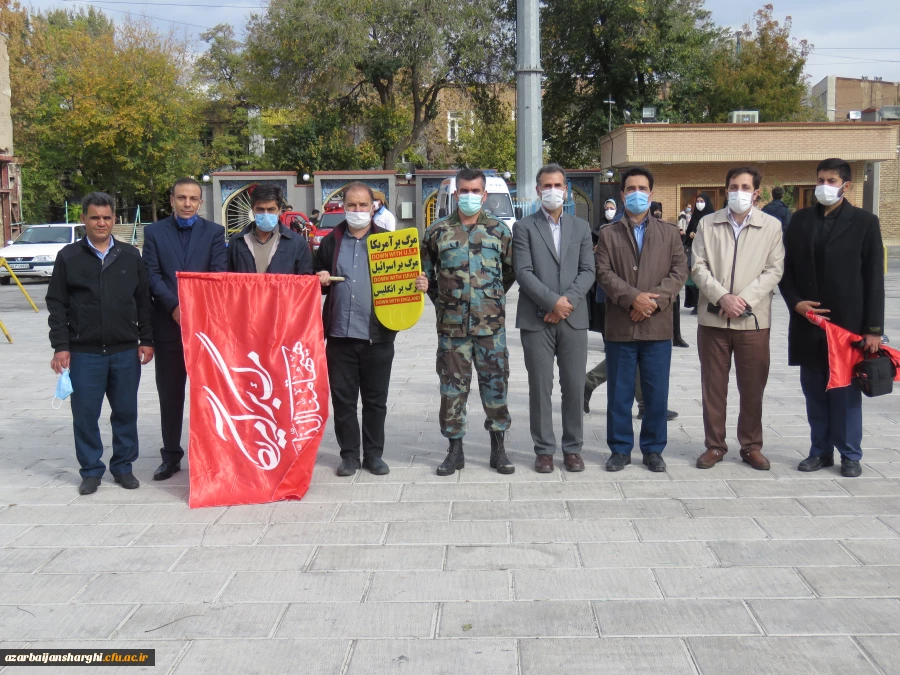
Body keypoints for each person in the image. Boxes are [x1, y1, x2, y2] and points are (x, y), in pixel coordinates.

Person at [780, 158, 884, 478]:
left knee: (846, 392)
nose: (823, 186)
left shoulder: (865, 222)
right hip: (809, 323)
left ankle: (850, 454)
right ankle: (820, 451)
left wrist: (873, 329)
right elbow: (785, 270)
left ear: (846, 185)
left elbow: (874, 278)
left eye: (831, 180)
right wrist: (796, 303)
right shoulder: (800, 220)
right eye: (820, 180)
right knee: (815, 391)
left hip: (848, 326)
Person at [314, 182, 427, 476]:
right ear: (343, 207)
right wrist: (320, 276)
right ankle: (349, 455)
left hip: (377, 336)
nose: (357, 210)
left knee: (376, 402)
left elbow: (406, 281)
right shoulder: (331, 241)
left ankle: (374, 455)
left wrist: (419, 283)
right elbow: (315, 278)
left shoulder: (389, 243)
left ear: (373, 207)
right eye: (351, 205)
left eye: (363, 205)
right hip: (339, 336)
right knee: (344, 402)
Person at [46, 192, 154, 495]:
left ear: (114, 219)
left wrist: (146, 339)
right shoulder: (68, 257)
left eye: (107, 217)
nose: (101, 223)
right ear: (83, 219)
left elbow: (143, 301)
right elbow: (57, 304)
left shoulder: (130, 255)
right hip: (84, 353)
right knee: (85, 415)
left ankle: (123, 467)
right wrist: (61, 346)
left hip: (125, 351)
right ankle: (91, 471)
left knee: (125, 413)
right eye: (95, 217)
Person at [691, 167, 785, 471]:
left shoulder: (771, 226)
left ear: (756, 193)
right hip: (713, 321)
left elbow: (774, 270)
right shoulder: (708, 223)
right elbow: (698, 266)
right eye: (733, 186)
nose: (739, 192)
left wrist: (743, 300)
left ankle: (751, 446)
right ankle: (714, 445)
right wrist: (722, 297)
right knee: (713, 388)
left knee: (753, 387)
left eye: (745, 187)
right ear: (726, 190)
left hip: (752, 321)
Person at [423, 167, 515, 475]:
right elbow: (427, 276)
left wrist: (491, 299)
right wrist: (443, 303)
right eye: (464, 191)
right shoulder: (437, 232)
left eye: (476, 191)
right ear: (455, 193)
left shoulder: (499, 231)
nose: (470, 196)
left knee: (495, 386)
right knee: (452, 390)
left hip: (491, 329)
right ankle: (455, 451)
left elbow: (510, 272)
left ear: (484, 195)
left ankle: (498, 449)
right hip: (452, 328)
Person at [595, 167, 687, 472]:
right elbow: (603, 273)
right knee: (619, 394)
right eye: (631, 189)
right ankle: (620, 449)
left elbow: (679, 272)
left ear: (651, 193)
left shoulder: (669, 232)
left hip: (657, 327)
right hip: (621, 326)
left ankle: (653, 449)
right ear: (622, 195)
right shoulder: (608, 234)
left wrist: (651, 303)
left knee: (656, 394)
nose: (637, 193)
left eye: (642, 188)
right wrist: (633, 298)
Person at [142, 177, 227, 481]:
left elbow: (218, 274)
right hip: (168, 325)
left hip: (205, 328)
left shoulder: (214, 233)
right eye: (181, 198)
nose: (187, 204)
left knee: (208, 395)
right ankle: (171, 456)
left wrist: (194, 308)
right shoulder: (154, 232)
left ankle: (211, 455)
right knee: (170, 394)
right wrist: (174, 307)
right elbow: (151, 275)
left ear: (200, 202)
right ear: (172, 200)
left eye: (193, 199)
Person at [513, 164, 595, 473]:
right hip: (536, 320)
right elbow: (523, 272)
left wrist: (565, 303)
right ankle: (544, 450)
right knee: (540, 387)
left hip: (573, 318)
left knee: (573, 385)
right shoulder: (524, 227)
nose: (553, 191)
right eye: (547, 186)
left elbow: (588, 270)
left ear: (566, 190)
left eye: (558, 185)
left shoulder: (581, 227)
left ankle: (573, 449)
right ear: (538, 190)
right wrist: (551, 302)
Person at [227, 184, 313, 275]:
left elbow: (305, 279)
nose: (266, 214)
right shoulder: (237, 242)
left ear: (279, 210)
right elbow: (227, 278)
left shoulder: (297, 243)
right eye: (260, 209)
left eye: (271, 209)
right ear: (253, 210)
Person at [652, 201, 689, 349]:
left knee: (674, 306)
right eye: (655, 210)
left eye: (659, 210)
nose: (657, 213)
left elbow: (679, 261)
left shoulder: (669, 230)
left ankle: (676, 335)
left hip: (670, 278)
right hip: (655, 278)